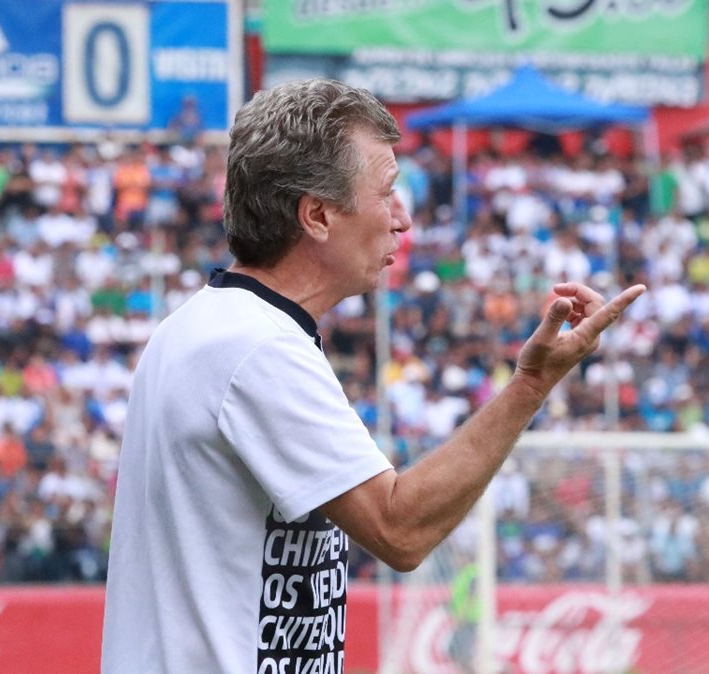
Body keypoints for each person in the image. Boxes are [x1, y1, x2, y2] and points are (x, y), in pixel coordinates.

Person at [100, 79, 645, 673]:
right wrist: (530, 387)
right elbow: (399, 528)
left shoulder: (208, 327)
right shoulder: (255, 346)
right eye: (387, 193)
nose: (404, 220)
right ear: (317, 215)